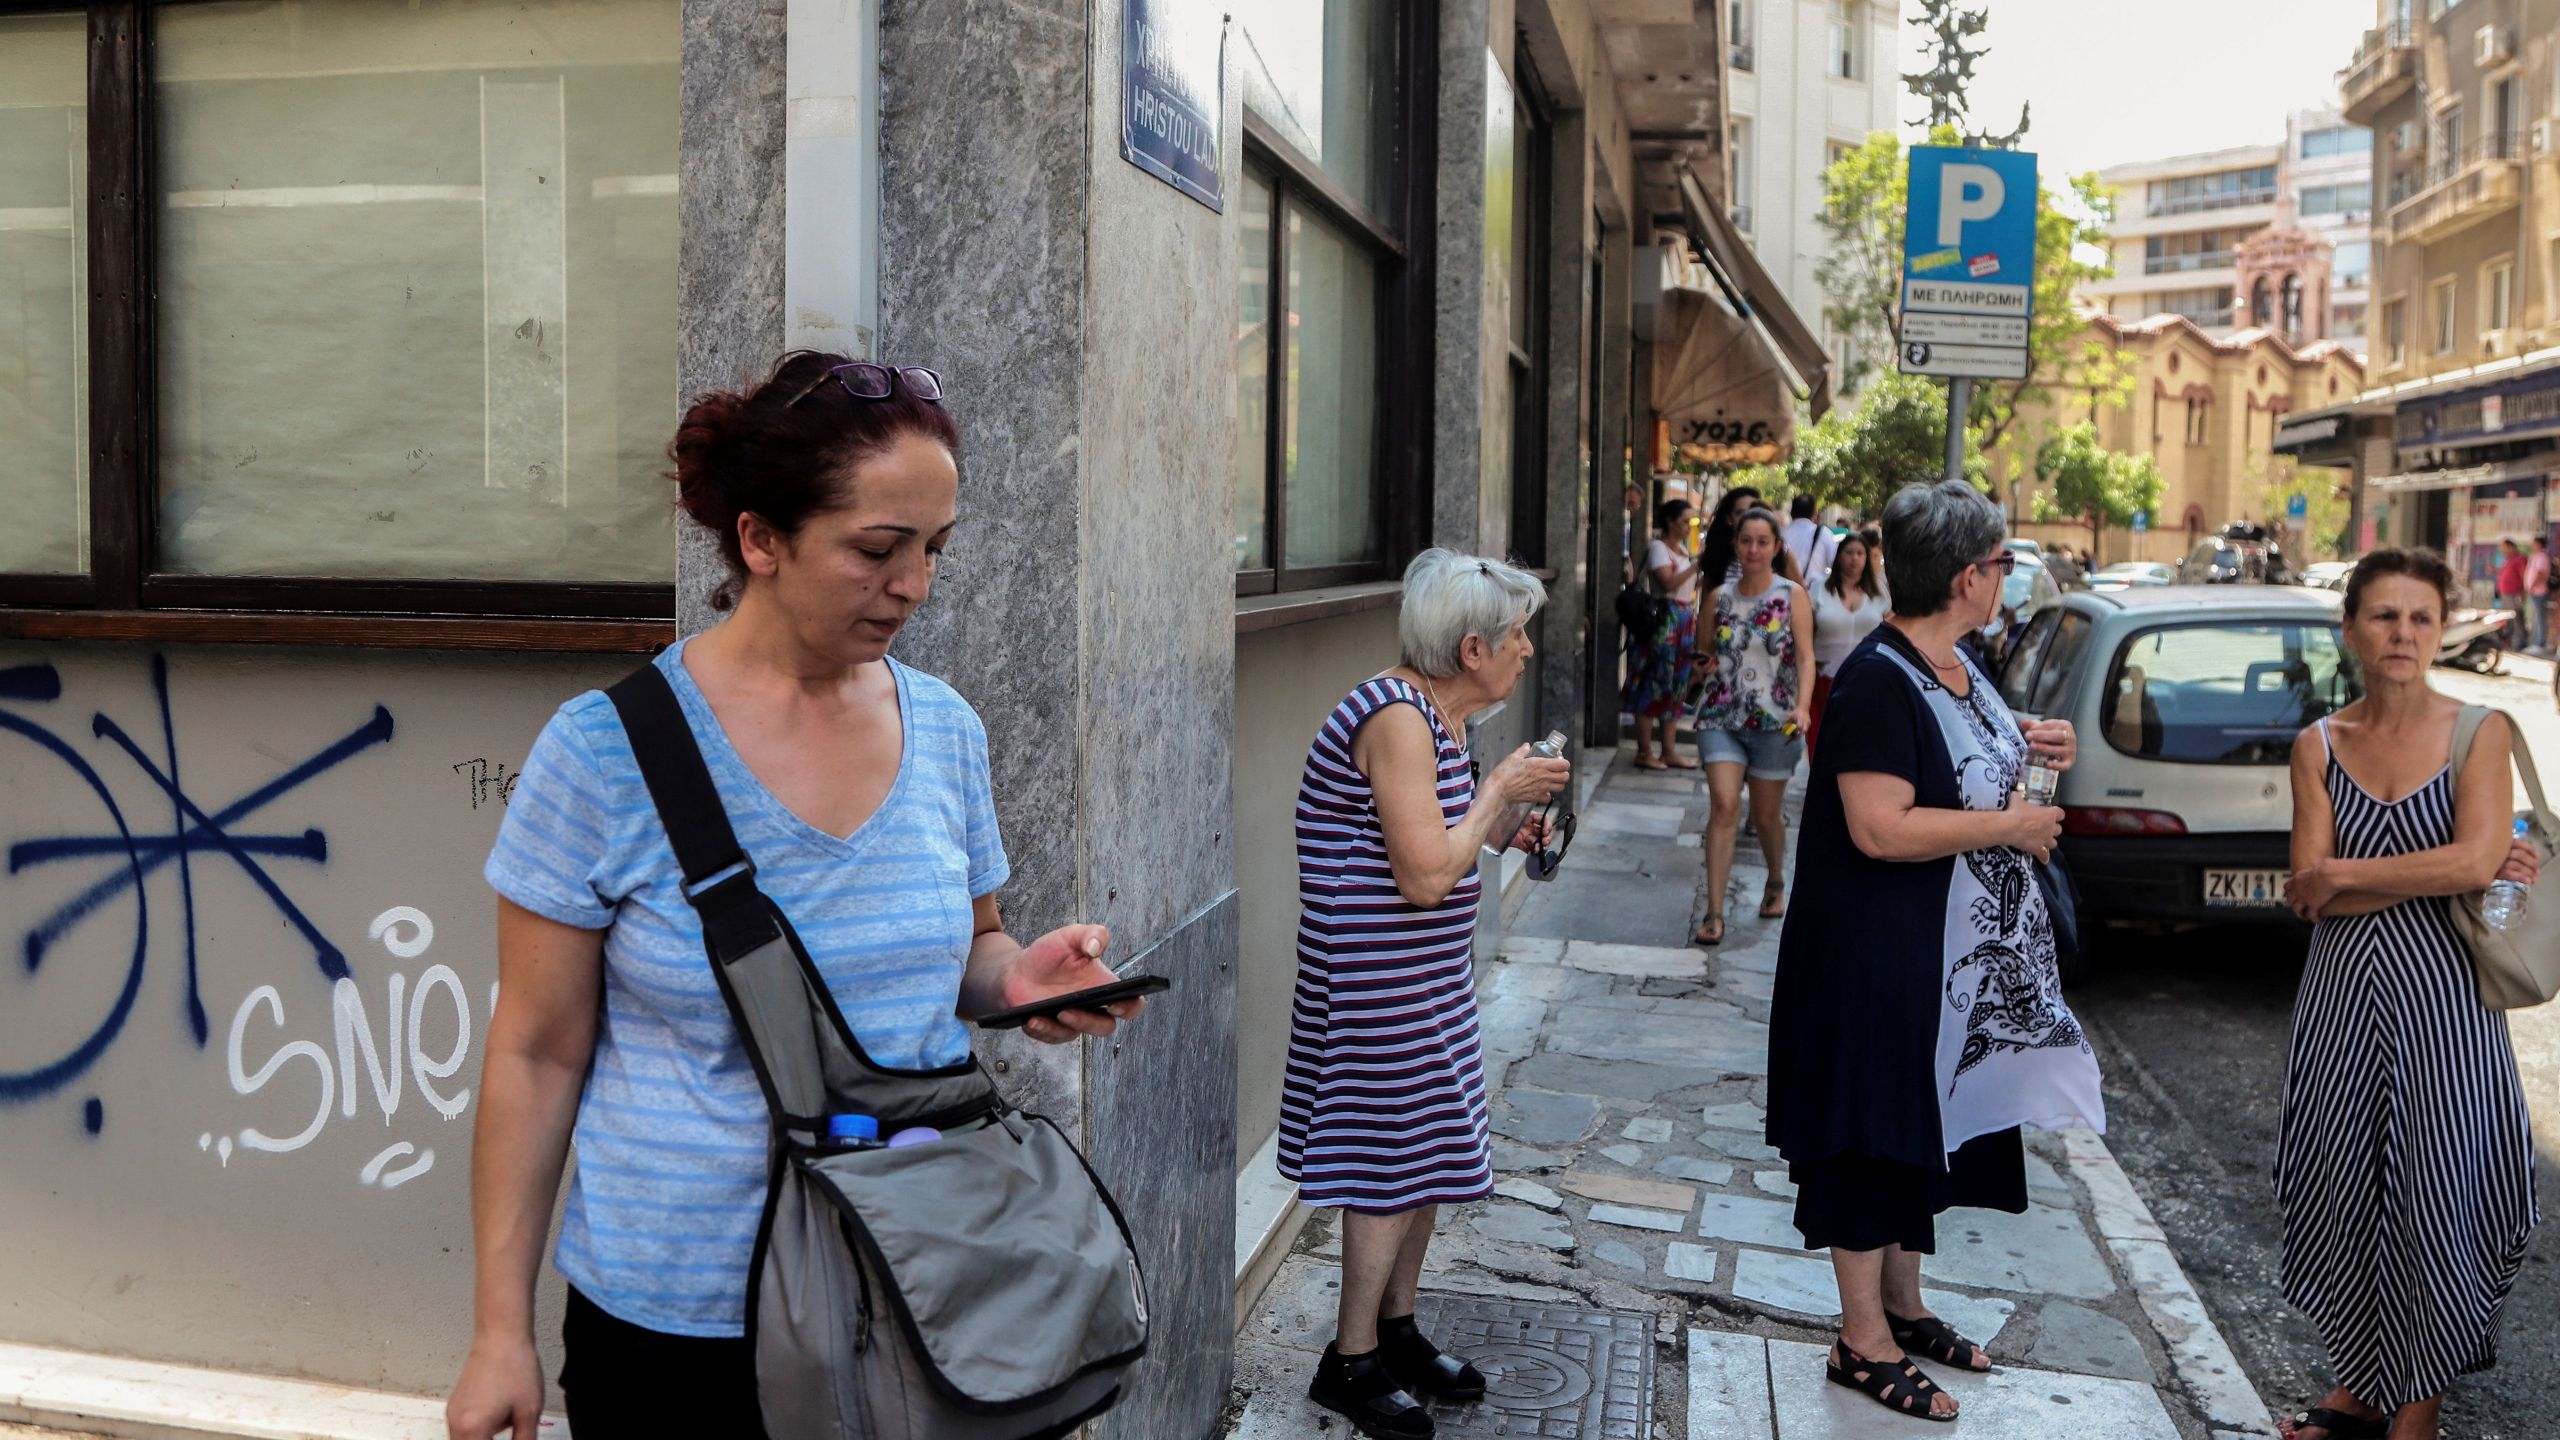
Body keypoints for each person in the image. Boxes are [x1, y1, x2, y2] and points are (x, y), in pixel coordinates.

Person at [446, 355, 1144, 1440]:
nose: (911, 584)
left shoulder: (946, 729)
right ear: (760, 541)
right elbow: (535, 1051)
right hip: (678, 1323)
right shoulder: (603, 752)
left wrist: (1022, 979)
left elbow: (973, 953)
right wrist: (500, 1331)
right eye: (877, 549)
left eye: (933, 551)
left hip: (915, 1286)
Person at [1764, 479, 2102, 1424]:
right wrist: (2011, 824)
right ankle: (1859, 1340)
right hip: (1878, 956)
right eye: (2000, 563)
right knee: (1871, 1137)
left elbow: (1957, 765)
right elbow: (1878, 827)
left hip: (1942, 954)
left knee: (1922, 1131)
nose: (2005, 578)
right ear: (1967, 575)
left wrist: (2034, 744)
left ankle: (1904, 1311)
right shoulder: (1879, 679)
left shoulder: (1956, 663)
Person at [1283, 549, 1571, 1440]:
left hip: (1422, 979)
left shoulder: (1434, 719)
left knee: (1429, 1148)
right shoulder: (1397, 717)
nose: (1528, 649)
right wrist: (1495, 796)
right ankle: (1351, 1361)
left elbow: (1438, 845)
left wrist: (1504, 823)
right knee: (1387, 1161)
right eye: (1518, 634)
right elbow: (1419, 877)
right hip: (1375, 981)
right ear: (1474, 647)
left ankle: (1395, 1332)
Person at [2273, 548, 2543, 1440]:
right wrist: (2440, 871)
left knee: (2436, 1196)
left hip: (2447, 1006)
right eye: (2385, 616)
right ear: (2351, 630)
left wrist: (2350, 871)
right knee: (2345, 1185)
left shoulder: (2480, 732)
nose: (2404, 634)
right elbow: (2308, 894)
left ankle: (2415, 1411)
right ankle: (2356, 1384)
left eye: (2421, 618)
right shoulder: (2317, 745)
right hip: (2344, 1000)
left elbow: (2464, 863)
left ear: (2442, 631)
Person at [1689, 506, 1815, 946]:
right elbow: (1703, 654)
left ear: (1777, 547)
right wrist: (1697, 671)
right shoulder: (1717, 597)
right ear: (1736, 546)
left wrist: (1802, 707)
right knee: (1724, 806)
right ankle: (1715, 911)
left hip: (1774, 720)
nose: (1754, 549)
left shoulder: (1792, 595)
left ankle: (1776, 878)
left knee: (1765, 816)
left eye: (1763, 541)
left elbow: (1805, 657)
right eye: (1746, 541)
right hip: (1721, 714)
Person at [1624, 499, 1703, 770]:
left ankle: (1669, 751)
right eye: (1685, 521)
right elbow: (1667, 583)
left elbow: (1687, 586)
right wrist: (1695, 566)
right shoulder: (1659, 548)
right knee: (1653, 683)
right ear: (1670, 521)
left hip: (1683, 620)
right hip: (1664, 621)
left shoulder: (1681, 550)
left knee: (1676, 686)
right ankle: (1645, 751)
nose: (1689, 526)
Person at [1807, 528, 1885, 752]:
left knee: (1859, 746)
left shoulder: (1878, 592)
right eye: (1849, 552)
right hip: (1824, 678)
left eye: (1860, 553)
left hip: (1867, 680)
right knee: (1821, 745)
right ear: (1839, 555)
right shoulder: (1819, 589)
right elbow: (1806, 630)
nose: (1855, 558)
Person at [1699, 483, 1763, 591]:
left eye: (1753, 511)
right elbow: (1707, 603)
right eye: (1740, 513)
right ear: (1729, 519)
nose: (1747, 517)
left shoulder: (1778, 550)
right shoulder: (1717, 555)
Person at [1784, 494, 1838, 594]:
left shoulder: (1780, 534)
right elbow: (1836, 564)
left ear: (1791, 513)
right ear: (1815, 514)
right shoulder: (1824, 533)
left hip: (1783, 594)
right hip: (1813, 594)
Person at [2495, 538, 2527, 647]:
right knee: (2508, 619)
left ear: (2510, 546)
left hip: (2514, 593)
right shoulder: (2508, 559)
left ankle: (2520, 642)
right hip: (2505, 593)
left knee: (2516, 617)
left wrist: (2522, 592)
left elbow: (2523, 575)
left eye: (2504, 547)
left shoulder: (2520, 558)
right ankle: (2509, 643)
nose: (2502, 550)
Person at [2525, 535, 2550, 655]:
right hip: (2535, 591)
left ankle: (2540, 643)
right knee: (2536, 617)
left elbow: (2540, 574)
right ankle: (2536, 641)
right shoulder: (2536, 556)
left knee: (2540, 617)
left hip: (2539, 591)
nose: (2532, 545)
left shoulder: (2541, 556)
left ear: (2539, 544)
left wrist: (2532, 587)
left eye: (2534, 543)